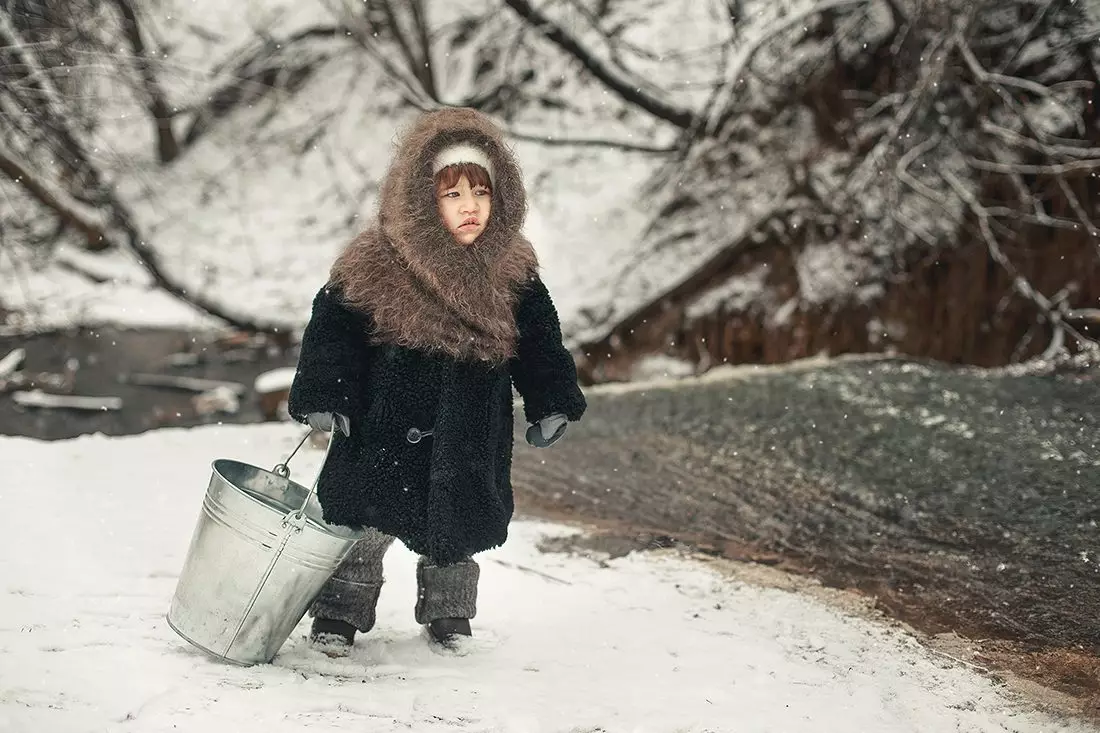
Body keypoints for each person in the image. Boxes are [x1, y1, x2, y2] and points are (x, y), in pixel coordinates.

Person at [286, 107, 587, 653]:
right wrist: (326, 393)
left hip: (468, 422)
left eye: (482, 192)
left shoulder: (512, 269)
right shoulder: (373, 262)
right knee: (361, 523)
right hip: (383, 420)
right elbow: (332, 334)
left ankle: (449, 614)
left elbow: (540, 342)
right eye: (452, 195)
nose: (470, 207)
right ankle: (339, 613)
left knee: (455, 523)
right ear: (422, 199)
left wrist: (551, 400)